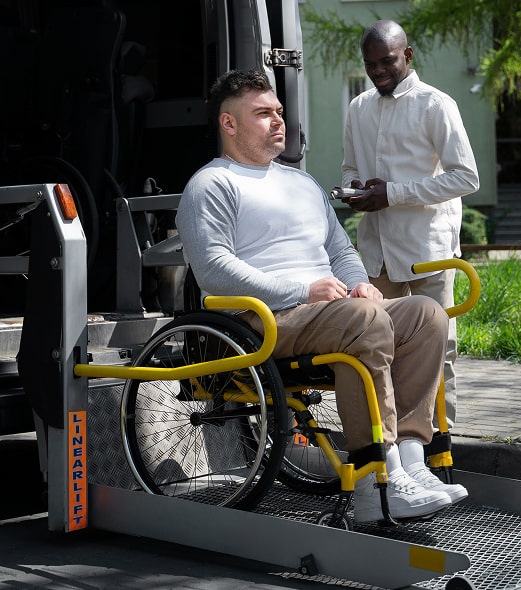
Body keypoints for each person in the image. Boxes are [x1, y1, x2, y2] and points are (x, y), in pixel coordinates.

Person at [175, 69, 467, 523]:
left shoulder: (302, 183)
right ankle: (375, 482)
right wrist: (303, 289)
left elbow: (340, 250)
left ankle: (410, 461)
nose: (278, 121)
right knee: (363, 321)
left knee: (426, 314)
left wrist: (359, 283)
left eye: (278, 112)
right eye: (263, 114)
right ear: (228, 125)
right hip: (265, 319)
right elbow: (214, 269)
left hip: (331, 309)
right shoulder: (212, 185)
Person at [341, 20, 480, 429]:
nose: (379, 71)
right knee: (373, 347)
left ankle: (439, 446)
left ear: (409, 54)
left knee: (439, 351)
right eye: (371, 65)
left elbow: (466, 177)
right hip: (377, 251)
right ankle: (388, 446)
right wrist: (353, 192)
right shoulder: (358, 107)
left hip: (427, 252)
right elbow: (351, 167)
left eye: (387, 61)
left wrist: (393, 193)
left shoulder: (436, 104)